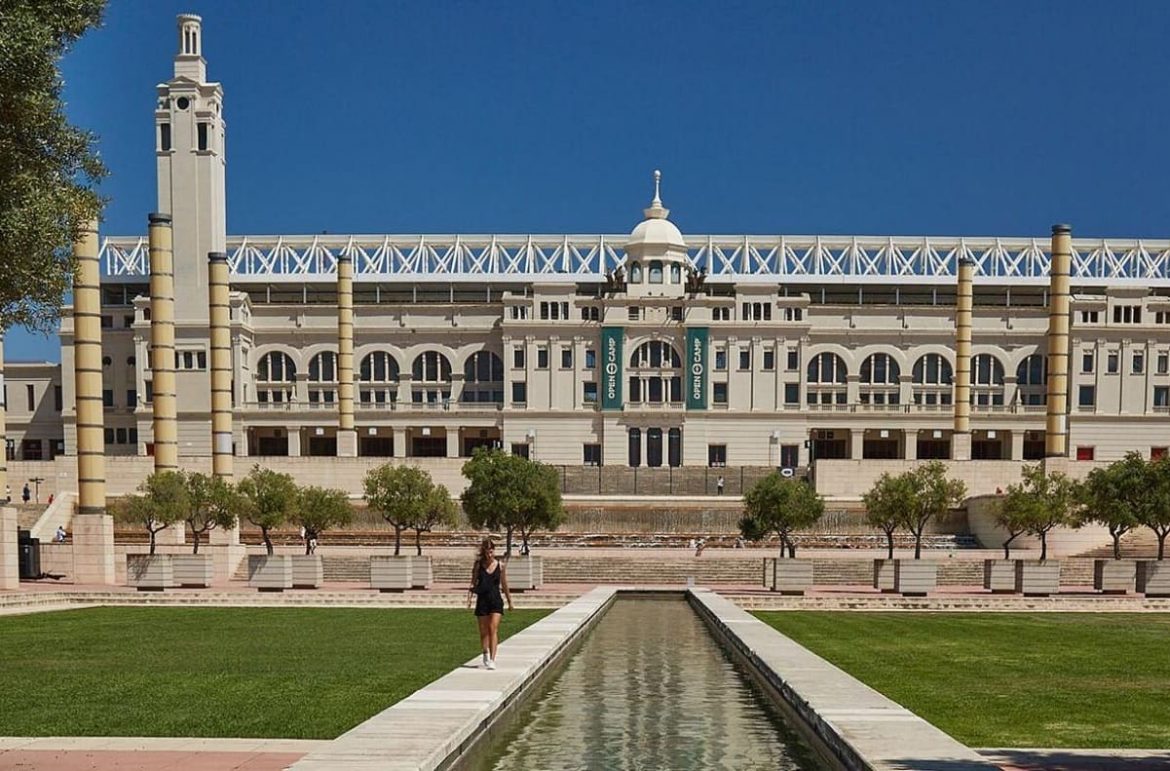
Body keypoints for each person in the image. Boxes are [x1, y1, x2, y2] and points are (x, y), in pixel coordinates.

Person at [467, 537, 513, 670]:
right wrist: (469, 598)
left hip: (496, 600)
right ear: (483, 551)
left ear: (494, 551)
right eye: (487, 552)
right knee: (484, 631)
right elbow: (473, 582)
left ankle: (492, 660)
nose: (489, 554)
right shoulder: (478, 565)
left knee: (493, 628)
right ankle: (485, 652)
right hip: (482, 600)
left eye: (491, 551)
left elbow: (504, 584)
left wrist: (510, 602)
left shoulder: (500, 565)